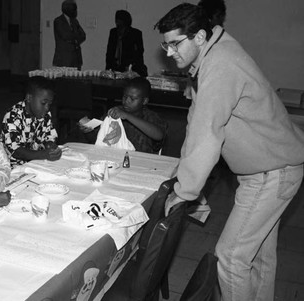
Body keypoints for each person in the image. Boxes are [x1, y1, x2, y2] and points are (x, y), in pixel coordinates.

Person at [155, 4, 304, 300]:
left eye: (175, 44)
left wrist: (184, 192)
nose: (169, 52)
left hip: (272, 174)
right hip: (272, 169)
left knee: (231, 259)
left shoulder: (221, 65)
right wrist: (183, 177)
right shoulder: (211, 55)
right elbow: (196, 123)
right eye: (165, 44)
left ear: (198, 37)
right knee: (258, 257)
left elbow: (207, 133)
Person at [79, 78, 167, 154]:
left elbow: (159, 135)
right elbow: (99, 139)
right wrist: (88, 131)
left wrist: (127, 116)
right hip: (114, 157)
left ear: (144, 101)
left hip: (140, 160)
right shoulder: (115, 112)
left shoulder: (150, 116)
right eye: (125, 97)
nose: (126, 101)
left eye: (132, 99)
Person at [0, 76, 61, 167]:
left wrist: (51, 147)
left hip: (34, 163)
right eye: (43, 103)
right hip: (11, 167)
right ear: (29, 98)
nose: (47, 108)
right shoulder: (12, 116)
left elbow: (49, 137)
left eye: (49, 104)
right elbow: (16, 151)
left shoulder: (44, 114)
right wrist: (43, 154)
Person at [105, 10, 148, 77]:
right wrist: (108, 68)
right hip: (114, 69)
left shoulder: (135, 33)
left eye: (119, 19)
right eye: (116, 19)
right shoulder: (113, 32)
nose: (117, 22)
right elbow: (109, 52)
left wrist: (131, 66)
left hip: (130, 69)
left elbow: (139, 53)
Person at [53, 0, 86, 70]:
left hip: (76, 58)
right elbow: (66, 36)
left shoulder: (75, 21)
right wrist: (76, 38)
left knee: (76, 79)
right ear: (66, 9)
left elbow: (83, 35)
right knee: (64, 80)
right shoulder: (58, 21)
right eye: (73, 9)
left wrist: (75, 40)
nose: (76, 11)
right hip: (64, 58)